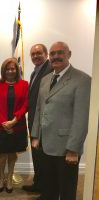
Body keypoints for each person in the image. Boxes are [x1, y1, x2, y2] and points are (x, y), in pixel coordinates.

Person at [31, 41, 91, 200]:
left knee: (66, 190)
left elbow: (81, 117)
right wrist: (35, 135)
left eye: (60, 53)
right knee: (48, 186)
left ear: (69, 54)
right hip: (44, 144)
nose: (55, 57)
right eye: (52, 54)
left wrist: (73, 148)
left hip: (65, 147)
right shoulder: (45, 79)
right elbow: (38, 109)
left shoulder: (82, 80)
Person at [0, 57, 28, 193]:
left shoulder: (24, 84)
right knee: (2, 154)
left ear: (17, 70)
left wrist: (13, 121)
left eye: (13, 68)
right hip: (1, 126)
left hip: (17, 125)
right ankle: (1, 177)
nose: (10, 71)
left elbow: (25, 105)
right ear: (3, 70)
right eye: (7, 69)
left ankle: (10, 178)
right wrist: (4, 123)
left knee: (12, 153)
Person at [22, 44, 52, 193]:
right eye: (33, 54)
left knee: (44, 158)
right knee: (37, 155)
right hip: (33, 120)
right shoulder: (35, 72)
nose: (35, 56)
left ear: (46, 54)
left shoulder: (51, 69)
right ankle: (38, 184)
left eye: (39, 53)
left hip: (44, 122)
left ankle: (46, 189)